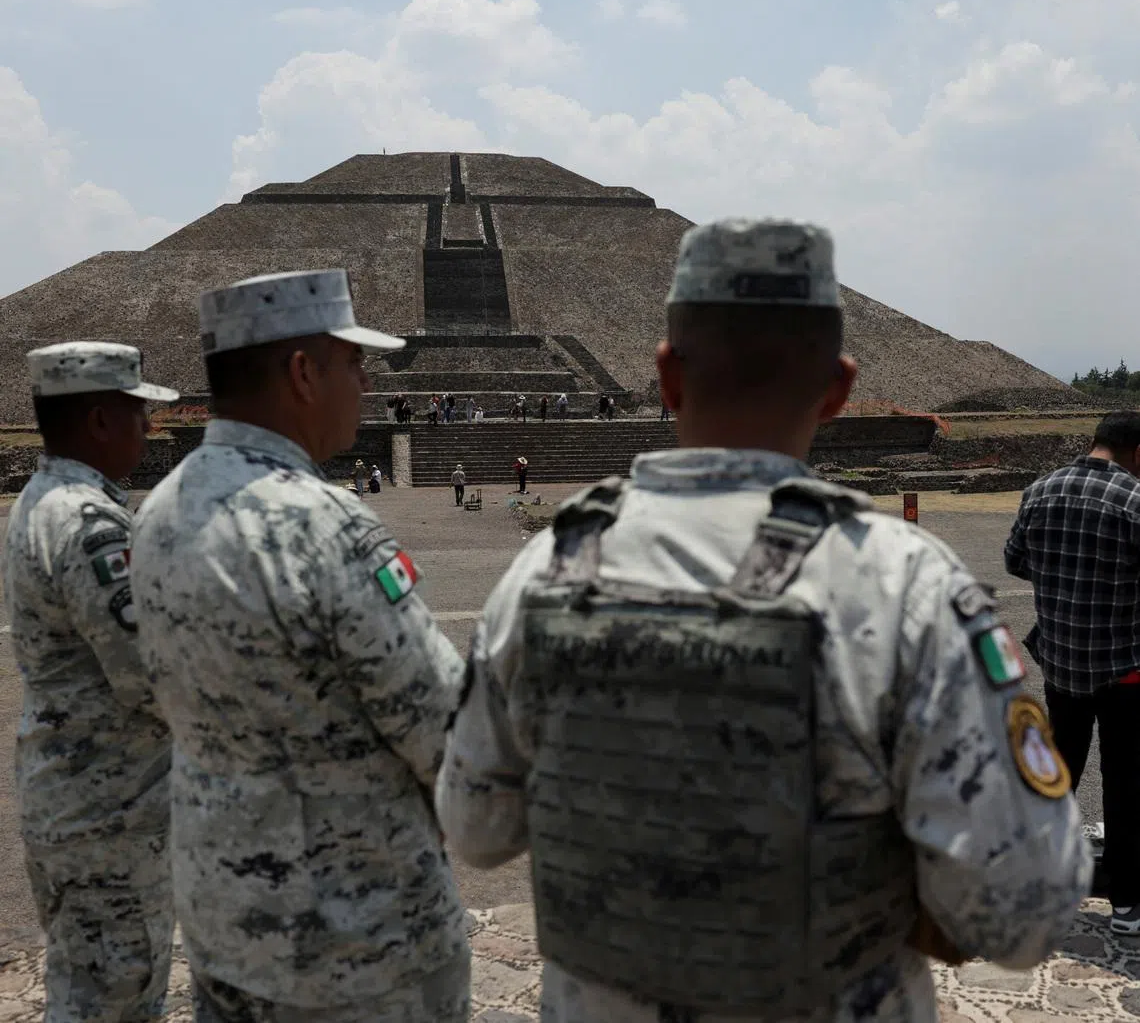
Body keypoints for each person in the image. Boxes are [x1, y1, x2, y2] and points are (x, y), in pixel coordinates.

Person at [437, 219, 1090, 1023]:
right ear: (841, 386)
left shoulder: (550, 568)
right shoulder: (900, 581)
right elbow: (1024, 912)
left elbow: (477, 829)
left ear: (667, 376)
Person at [131, 270, 470, 1023]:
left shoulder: (157, 511)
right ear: (302, 372)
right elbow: (447, 729)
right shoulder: (324, 528)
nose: (366, 382)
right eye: (354, 363)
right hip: (357, 948)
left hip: (225, 922)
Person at [3, 342, 178, 1022]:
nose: (149, 428)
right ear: (101, 420)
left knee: (86, 991)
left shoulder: (45, 503)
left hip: (75, 801)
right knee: (114, 1000)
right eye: (138, 412)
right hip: (108, 816)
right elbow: (152, 675)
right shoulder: (88, 524)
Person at [1005, 409, 1140, 934]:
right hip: (1124, 668)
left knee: (1057, 775)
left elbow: (1016, 560)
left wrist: (1063, 579)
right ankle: (1128, 903)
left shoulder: (1040, 490)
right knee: (1128, 784)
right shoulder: (1133, 500)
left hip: (1062, 664)